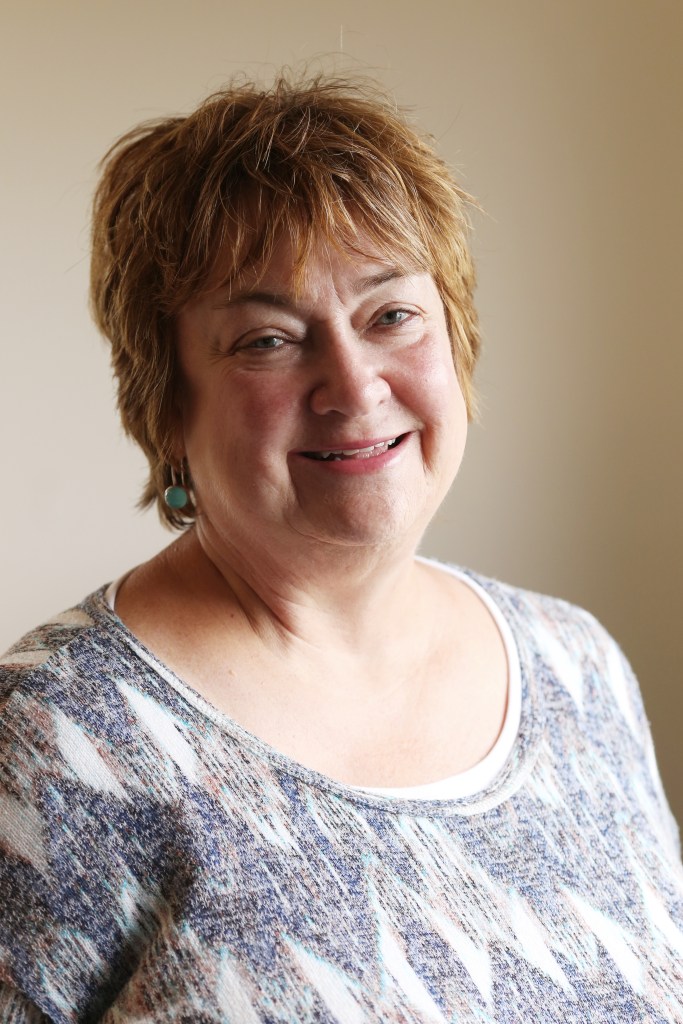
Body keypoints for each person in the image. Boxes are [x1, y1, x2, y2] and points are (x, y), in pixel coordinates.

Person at [1, 75, 682, 1023]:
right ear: (165, 404)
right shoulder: (55, 739)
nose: (355, 388)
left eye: (389, 315)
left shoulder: (577, 669)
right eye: (268, 340)